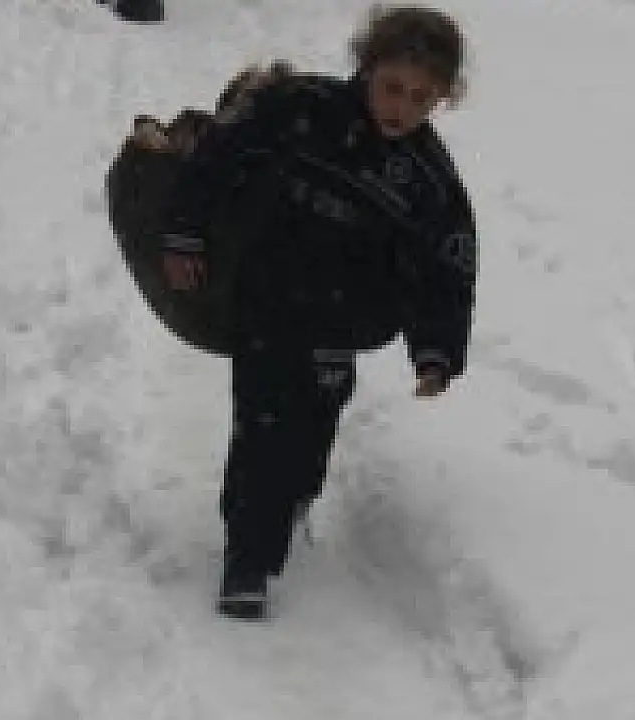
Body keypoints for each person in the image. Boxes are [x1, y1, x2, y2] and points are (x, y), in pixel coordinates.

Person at [158, 4, 478, 620]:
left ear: (443, 98)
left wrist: (436, 350)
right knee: (264, 425)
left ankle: (293, 497)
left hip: (344, 320)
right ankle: (249, 559)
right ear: (367, 67)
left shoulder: (427, 181)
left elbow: (447, 268)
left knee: (311, 428)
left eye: (421, 97)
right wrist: (184, 233)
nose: (402, 107)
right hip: (269, 297)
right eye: (392, 87)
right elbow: (217, 155)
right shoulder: (298, 108)